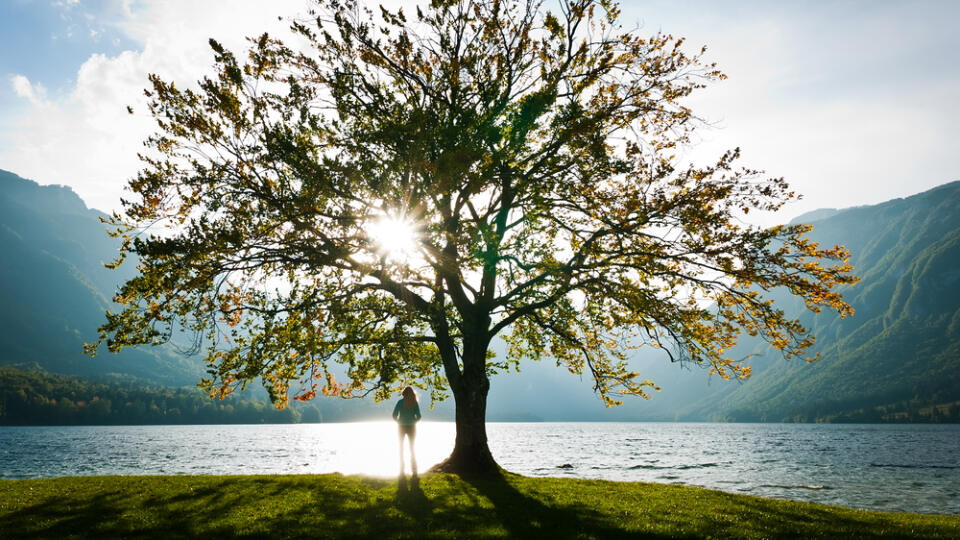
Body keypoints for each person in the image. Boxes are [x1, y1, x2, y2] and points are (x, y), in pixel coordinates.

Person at [392, 386, 421, 477]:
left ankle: (401, 469)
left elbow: (394, 415)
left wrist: (399, 421)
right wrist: (413, 421)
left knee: (401, 447)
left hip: (401, 427)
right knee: (412, 448)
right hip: (412, 427)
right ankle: (414, 470)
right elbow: (419, 416)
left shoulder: (400, 402)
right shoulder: (414, 403)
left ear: (403, 393)